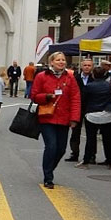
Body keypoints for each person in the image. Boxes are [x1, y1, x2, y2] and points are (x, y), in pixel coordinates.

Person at [30, 51, 81, 189]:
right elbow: (34, 95)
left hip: (64, 117)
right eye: (58, 60)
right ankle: (48, 177)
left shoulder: (70, 78)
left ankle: (49, 168)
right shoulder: (42, 76)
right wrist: (46, 96)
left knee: (61, 149)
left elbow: (75, 99)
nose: (61, 62)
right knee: (51, 146)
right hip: (47, 117)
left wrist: (74, 118)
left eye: (63, 60)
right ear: (51, 62)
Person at [75, 65, 111, 169]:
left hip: (92, 114)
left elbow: (83, 101)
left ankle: (86, 161)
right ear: (105, 75)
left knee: (90, 139)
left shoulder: (89, 86)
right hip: (107, 114)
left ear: (93, 75)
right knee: (108, 139)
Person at [65, 58, 94, 162]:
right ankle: (74, 153)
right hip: (77, 108)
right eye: (85, 65)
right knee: (75, 132)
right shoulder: (74, 78)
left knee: (91, 133)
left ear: (92, 67)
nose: (87, 67)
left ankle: (91, 155)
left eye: (89, 65)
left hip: (91, 108)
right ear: (81, 67)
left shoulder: (95, 79)